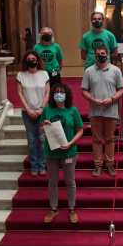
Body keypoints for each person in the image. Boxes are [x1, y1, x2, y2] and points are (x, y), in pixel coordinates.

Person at [40, 83, 84, 224]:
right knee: (52, 181)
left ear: (67, 95)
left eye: (62, 92)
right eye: (56, 92)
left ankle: (71, 209)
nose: (59, 94)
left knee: (70, 181)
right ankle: (54, 209)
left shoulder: (73, 110)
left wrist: (71, 143)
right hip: (51, 152)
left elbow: (81, 130)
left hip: (69, 152)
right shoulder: (47, 110)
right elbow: (41, 130)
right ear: (53, 95)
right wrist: (44, 126)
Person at [81, 45, 123, 177]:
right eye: (98, 54)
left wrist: (112, 99)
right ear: (95, 56)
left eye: (103, 53)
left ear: (107, 55)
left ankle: (110, 164)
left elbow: (121, 89)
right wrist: (92, 100)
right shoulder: (89, 71)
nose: (100, 55)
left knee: (110, 139)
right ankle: (98, 165)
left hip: (111, 110)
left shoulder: (115, 70)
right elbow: (84, 90)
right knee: (97, 139)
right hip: (95, 111)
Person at [17, 50, 50, 177]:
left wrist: (42, 108)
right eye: (29, 59)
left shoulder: (44, 74)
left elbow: (48, 93)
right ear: (26, 61)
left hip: (42, 111)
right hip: (27, 112)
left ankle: (42, 165)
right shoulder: (21, 75)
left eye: (33, 58)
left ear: (38, 60)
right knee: (31, 140)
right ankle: (34, 166)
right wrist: (29, 110)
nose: (32, 61)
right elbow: (20, 94)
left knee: (41, 140)